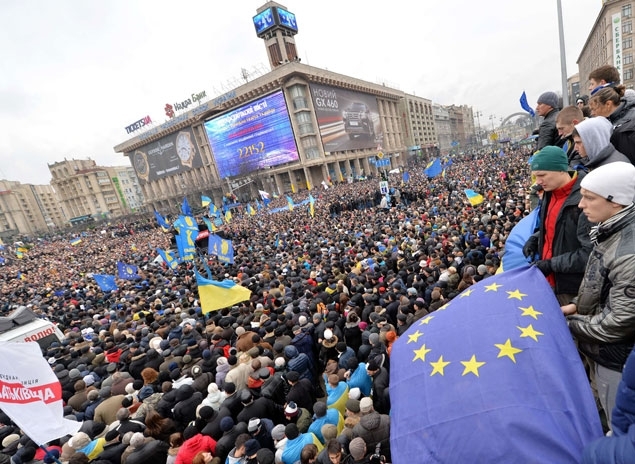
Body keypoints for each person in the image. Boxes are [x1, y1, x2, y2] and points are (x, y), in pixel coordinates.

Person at [562, 162, 635, 426]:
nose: (581, 205)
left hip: (618, 360)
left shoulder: (630, 253)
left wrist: (567, 324)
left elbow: (618, 324)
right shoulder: (611, 228)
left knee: (619, 424)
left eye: (590, 198)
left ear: (616, 202)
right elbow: (602, 285)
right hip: (605, 352)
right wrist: (576, 305)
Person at [522, 146, 593, 305]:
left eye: (542, 175)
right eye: (535, 176)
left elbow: (589, 254)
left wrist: (551, 264)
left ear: (561, 170)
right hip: (550, 281)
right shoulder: (549, 191)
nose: (538, 182)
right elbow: (553, 227)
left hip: (573, 288)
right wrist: (536, 239)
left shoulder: (585, 199)